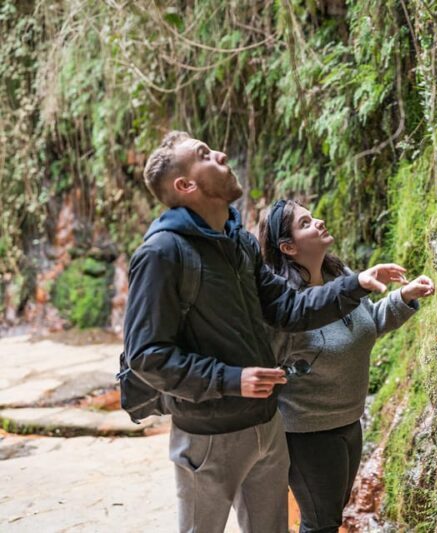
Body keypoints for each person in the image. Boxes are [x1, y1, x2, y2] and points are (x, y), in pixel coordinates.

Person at [123, 131, 408, 533]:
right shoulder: (161, 254)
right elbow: (146, 355)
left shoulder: (239, 244)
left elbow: (289, 308)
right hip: (207, 435)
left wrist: (355, 283)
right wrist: (232, 379)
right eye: (205, 155)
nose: (221, 153)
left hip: (267, 424)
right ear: (185, 185)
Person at [258, 199, 435, 533]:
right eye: (307, 222)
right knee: (321, 523)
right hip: (308, 433)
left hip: (349, 422)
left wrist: (405, 297)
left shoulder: (340, 276)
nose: (320, 221)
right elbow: (266, 361)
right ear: (288, 247)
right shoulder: (283, 305)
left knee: (330, 516)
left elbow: (369, 325)